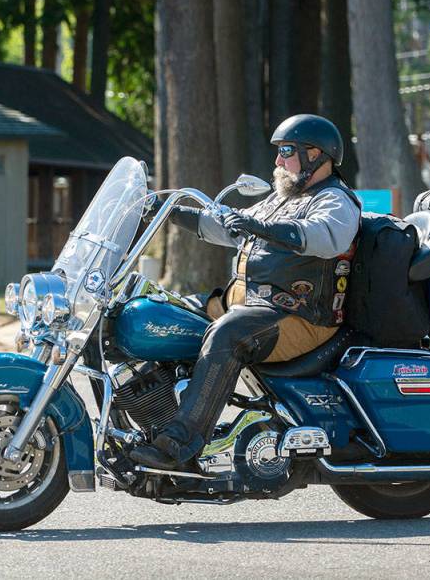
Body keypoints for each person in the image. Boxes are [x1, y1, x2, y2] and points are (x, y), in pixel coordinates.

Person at [130, 114, 363, 470]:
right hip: (252, 304)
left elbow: (325, 236)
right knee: (159, 312)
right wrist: (166, 211)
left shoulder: (334, 200)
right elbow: (226, 226)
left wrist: (260, 226)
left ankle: (180, 445)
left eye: (286, 151)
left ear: (315, 154)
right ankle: (145, 421)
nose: (278, 161)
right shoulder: (280, 199)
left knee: (228, 335)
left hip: (300, 318)